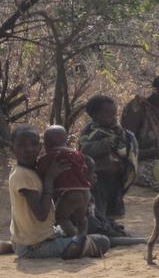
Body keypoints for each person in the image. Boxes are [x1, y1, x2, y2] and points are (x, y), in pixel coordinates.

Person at [8, 125, 110, 259]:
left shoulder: (30, 170)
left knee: (73, 230)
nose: (29, 149)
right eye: (22, 145)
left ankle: (75, 241)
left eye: (34, 144)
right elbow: (41, 215)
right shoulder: (23, 176)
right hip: (35, 246)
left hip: (36, 238)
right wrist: (50, 178)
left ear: (41, 147)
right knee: (103, 241)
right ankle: (74, 245)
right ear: (12, 148)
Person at [79, 95, 139, 237]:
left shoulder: (118, 130)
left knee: (114, 200)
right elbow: (84, 150)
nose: (112, 118)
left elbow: (126, 145)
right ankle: (102, 226)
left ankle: (110, 223)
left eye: (114, 114)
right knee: (99, 203)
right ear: (94, 116)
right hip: (99, 176)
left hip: (116, 176)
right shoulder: (89, 132)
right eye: (107, 115)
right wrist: (105, 144)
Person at [36, 125, 92, 236]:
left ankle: (75, 238)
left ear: (46, 144)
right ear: (66, 141)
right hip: (86, 192)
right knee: (81, 218)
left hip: (69, 194)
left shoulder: (48, 157)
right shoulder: (78, 154)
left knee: (61, 218)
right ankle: (84, 235)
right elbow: (87, 168)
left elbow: (40, 173)